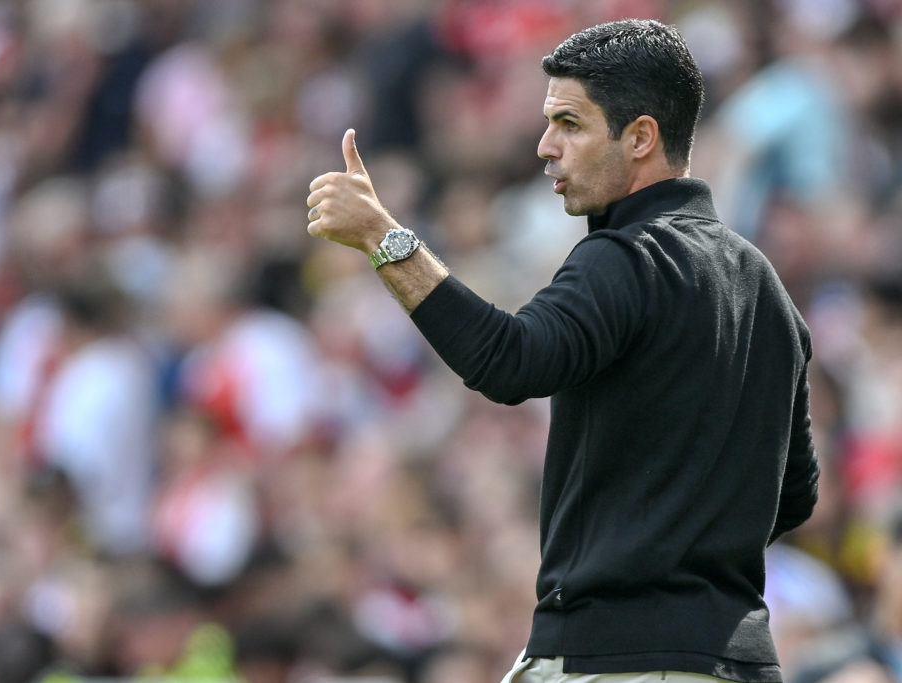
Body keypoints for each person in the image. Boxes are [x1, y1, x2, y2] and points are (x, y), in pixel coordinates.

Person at [305, 18, 819, 683]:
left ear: (640, 138)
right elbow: (795, 492)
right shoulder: (766, 286)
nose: (546, 145)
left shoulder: (626, 257)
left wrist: (384, 236)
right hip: (738, 661)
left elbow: (509, 360)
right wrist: (685, 531)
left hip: (622, 660)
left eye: (571, 124)